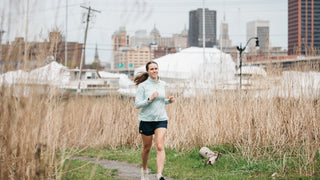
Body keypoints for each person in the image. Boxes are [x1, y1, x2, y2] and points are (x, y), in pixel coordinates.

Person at [134, 61, 175, 180]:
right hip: (146, 120)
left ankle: (159, 175)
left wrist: (169, 101)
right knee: (147, 148)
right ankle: (145, 170)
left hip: (161, 119)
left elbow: (161, 101)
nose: (154, 71)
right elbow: (137, 105)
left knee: (160, 146)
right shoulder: (143, 86)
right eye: (151, 69)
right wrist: (149, 99)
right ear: (147, 71)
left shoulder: (163, 84)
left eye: (156, 68)